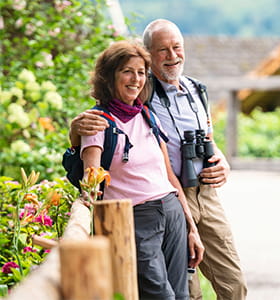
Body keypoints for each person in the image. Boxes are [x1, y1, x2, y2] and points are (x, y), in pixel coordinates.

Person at [70, 19, 247, 300]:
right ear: (149, 53)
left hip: (197, 193)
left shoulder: (195, 91)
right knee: (185, 292)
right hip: (154, 200)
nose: (172, 56)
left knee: (233, 283)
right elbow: (98, 127)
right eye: (162, 50)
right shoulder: (139, 90)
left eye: (177, 47)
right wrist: (74, 131)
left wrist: (222, 160)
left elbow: (208, 136)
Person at [80, 40, 203, 300]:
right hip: (135, 219)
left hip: (172, 213)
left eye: (140, 72)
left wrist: (191, 227)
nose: (135, 79)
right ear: (109, 76)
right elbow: (90, 181)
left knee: (181, 295)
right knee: (160, 296)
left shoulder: (147, 115)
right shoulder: (96, 122)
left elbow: (169, 177)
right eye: (127, 71)